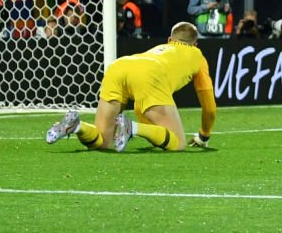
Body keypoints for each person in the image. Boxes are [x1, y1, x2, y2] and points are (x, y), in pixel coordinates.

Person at [45, 22, 216, 152]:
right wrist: (204, 135)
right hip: (149, 73)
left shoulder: (161, 48)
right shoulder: (198, 57)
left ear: (170, 40)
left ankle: (76, 126)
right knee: (178, 143)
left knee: (103, 141)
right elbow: (209, 108)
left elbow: (140, 106)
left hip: (118, 66)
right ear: (195, 45)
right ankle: (131, 127)